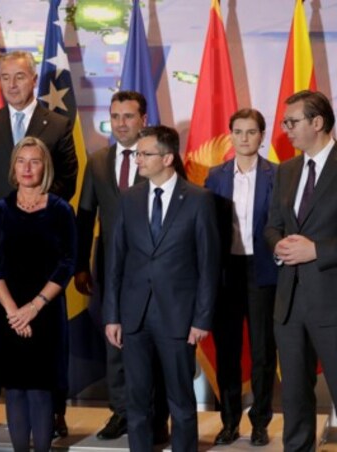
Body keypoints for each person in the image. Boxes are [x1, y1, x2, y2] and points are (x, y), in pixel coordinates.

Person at [0, 50, 77, 437]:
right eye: (5, 77)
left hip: (43, 250)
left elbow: (67, 180)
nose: (12, 84)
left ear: (33, 80)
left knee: (46, 344)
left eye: (20, 77)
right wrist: (0, 214)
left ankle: (55, 413)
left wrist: (33, 211)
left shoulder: (58, 124)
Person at [104, 126, 219, 452]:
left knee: (181, 402)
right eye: (137, 153)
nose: (137, 159)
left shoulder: (199, 200)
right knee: (138, 400)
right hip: (134, 317)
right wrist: (112, 315)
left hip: (179, 319)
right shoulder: (128, 198)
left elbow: (208, 267)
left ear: (167, 157)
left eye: (145, 154)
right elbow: (116, 261)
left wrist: (202, 319)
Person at [74, 91, 169, 442]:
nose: (121, 123)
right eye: (115, 116)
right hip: (110, 269)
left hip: (154, 270)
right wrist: (81, 265)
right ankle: (121, 413)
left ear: (143, 118)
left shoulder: (162, 158)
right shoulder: (98, 161)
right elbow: (85, 216)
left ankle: (157, 419)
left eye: (128, 116)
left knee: (155, 344)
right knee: (115, 342)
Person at [0, 137, 75, 451]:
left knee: (40, 389)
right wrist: (13, 311)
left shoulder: (61, 210)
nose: (27, 167)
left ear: (45, 167)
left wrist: (33, 308)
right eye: (21, 161)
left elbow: (68, 264)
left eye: (34, 161)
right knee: (15, 389)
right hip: (7, 313)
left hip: (45, 311)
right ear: (13, 166)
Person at [265, 90, 337, 452]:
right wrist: (278, 246)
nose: (285, 129)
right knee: (294, 399)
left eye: (292, 122)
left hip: (332, 304)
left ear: (318, 123)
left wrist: (317, 250)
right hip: (289, 305)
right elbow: (272, 225)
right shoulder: (287, 170)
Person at [204, 108, 277, 447]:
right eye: (238, 131)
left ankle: (260, 421)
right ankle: (230, 420)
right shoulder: (214, 177)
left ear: (262, 136)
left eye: (252, 131)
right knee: (228, 351)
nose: (245, 137)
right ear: (230, 134)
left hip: (262, 269)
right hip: (225, 272)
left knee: (263, 351)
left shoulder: (279, 175)